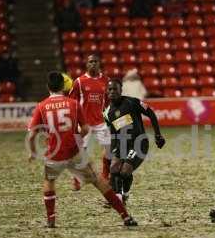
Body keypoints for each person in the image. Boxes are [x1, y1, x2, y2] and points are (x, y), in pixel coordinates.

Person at [27, 71, 137, 228]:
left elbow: (31, 136)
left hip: (54, 153)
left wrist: (32, 153)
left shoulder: (42, 106)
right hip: (74, 152)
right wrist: (75, 138)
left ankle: (51, 220)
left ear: (48, 87)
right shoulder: (73, 104)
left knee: (49, 181)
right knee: (99, 182)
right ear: (63, 87)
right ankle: (125, 216)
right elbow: (85, 129)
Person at [104, 79, 165, 203]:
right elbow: (113, 133)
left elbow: (151, 113)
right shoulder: (107, 113)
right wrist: (112, 152)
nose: (112, 92)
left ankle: (125, 194)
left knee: (125, 171)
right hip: (122, 144)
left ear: (121, 90)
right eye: (109, 89)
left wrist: (158, 135)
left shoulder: (132, 102)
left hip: (139, 143)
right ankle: (117, 198)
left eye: (115, 89)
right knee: (114, 169)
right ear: (106, 91)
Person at [69, 54, 111, 190]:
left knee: (110, 149)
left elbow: (109, 101)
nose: (93, 64)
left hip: (101, 122)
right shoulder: (79, 82)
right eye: (90, 61)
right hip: (84, 124)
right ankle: (76, 178)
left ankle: (105, 176)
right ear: (87, 64)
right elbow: (72, 102)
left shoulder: (106, 80)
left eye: (95, 61)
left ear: (99, 63)